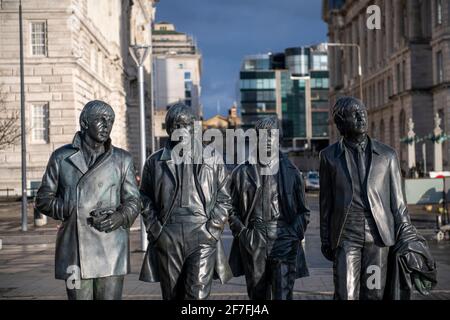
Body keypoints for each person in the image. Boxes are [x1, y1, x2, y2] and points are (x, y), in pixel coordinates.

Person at [319, 96, 435, 300]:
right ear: (341, 122)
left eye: (362, 111)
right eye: (354, 113)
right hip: (346, 236)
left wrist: (407, 239)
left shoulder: (388, 155)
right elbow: (326, 203)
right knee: (345, 294)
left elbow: (399, 205)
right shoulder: (329, 156)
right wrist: (326, 239)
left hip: (378, 238)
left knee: (374, 293)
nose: (361, 116)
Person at [35, 100, 141, 300]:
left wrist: (120, 216)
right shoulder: (61, 157)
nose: (106, 125)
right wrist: (69, 206)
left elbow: (134, 201)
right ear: (84, 122)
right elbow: (43, 199)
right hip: (75, 250)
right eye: (100, 120)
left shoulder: (122, 159)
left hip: (111, 248)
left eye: (110, 120)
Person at [139, 103, 232, 300]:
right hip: (168, 232)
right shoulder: (154, 162)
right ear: (169, 129)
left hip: (202, 232)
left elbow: (225, 198)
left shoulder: (212, 158)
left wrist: (212, 230)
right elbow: (144, 198)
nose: (182, 130)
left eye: (187, 125)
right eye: (176, 125)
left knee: (196, 296)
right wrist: (156, 230)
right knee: (172, 294)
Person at [228, 117, 310, 300]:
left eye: (271, 136)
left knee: (283, 294)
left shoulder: (293, 172)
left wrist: (292, 233)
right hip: (254, 238)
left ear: (278, 138)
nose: (267, 141)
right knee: (257, 296)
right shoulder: (241, 173)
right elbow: (230, 208)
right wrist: (243, 233)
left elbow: (304, 211)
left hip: (283, 237)